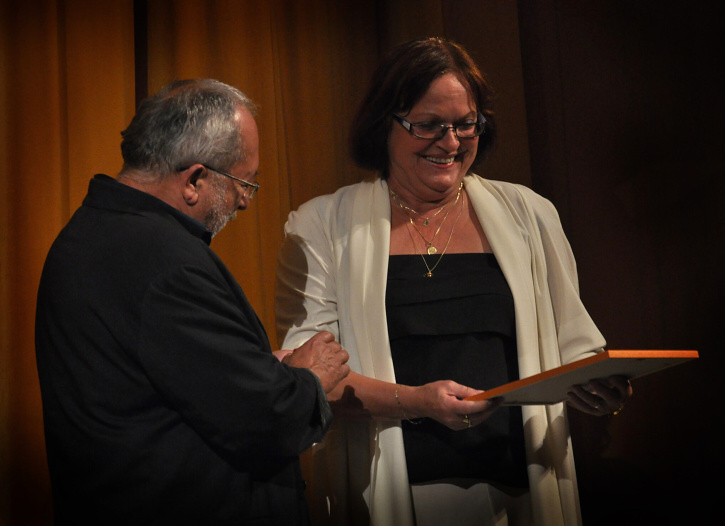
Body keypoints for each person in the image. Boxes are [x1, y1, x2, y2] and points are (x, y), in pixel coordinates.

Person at [275, 38, 632, 526]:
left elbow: (573, 345)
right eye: (428, 125)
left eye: (466, 124)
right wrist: (417, 403)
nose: (451, 143)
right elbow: (309, 379)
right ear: (384, 124)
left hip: (518, 496)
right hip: (391, 495)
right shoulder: (321, 225)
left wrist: (596, 384)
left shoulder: (529, 214)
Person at [34, 79, 350, 525]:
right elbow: (265, 419)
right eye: (243, 182)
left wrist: (260, 369)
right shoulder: (162, 261)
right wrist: (309, 380)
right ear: (195, 179)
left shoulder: (88, 231)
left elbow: (179, 381)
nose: (245, 201)